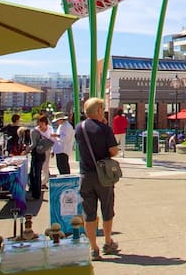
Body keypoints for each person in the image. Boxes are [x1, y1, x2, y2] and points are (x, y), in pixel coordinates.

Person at [77, 98, 120, 260]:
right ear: (99, 110)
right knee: (107, 208)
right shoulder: (104, 129)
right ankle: (108, 242)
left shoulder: (79, 128)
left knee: (89, 213)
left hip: (85, 175)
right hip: (103, 176)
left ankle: (93, 248)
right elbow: (114, 151)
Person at [29, 116, 53, 199]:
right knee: (35, 173)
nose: (40, 124)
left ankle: (40, 187)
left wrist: (25, 150)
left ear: (46, 123)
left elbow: (52, 139)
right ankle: (36, 189)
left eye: (42, 123)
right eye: (39, 122)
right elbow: (33, 144)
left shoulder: (49, 129)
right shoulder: (35, 131)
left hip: (43, 152)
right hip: (38, 153)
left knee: (41, 170)